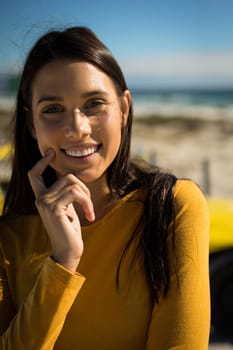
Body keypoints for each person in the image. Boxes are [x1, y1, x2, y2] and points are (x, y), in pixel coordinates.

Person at [0, 26, 210, 349]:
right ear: (31, 124)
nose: (77, 128)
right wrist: (62, 262)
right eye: (53, 109)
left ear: (124, 109)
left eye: (94, 103)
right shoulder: (9, 238)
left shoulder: (172, 207)